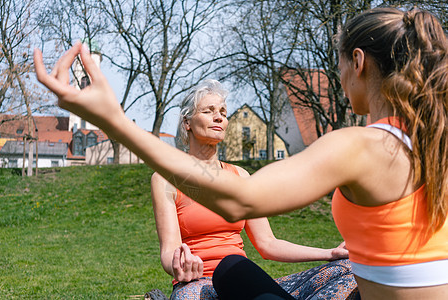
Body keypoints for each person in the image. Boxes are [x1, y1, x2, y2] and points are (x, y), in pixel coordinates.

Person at [34, 6, 448, 299]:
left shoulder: (361, 145)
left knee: (246, 272)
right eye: (208, 111)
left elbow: (239, 204)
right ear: (187, 121)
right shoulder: (434, 141)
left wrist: (115, 121)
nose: (338, 77)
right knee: (235, 271)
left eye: (338, 64)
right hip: (200, 282)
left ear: (358, 62)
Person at [151, 79, 355, 299]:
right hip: (198, 286)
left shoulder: (240, 176)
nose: (219, 117)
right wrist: (179, 265)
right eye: (208, 111)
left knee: (348, 271)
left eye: (222, 111)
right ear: (187, 122)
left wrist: (330, 254)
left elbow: (268, 243)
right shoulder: (166, 179)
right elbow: (168, 250)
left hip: (243, 281)